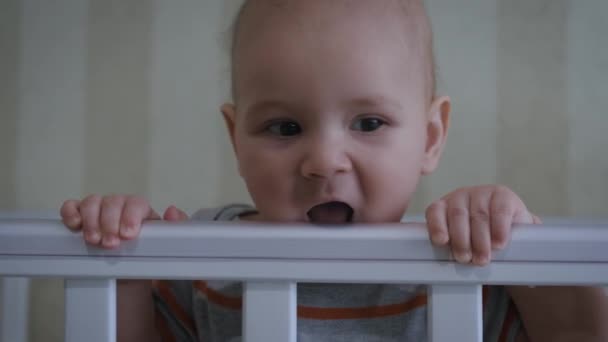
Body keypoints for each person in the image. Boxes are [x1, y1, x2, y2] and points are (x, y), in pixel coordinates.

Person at [60, 0, 608, 341]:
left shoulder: (459, 261)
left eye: (368, 122)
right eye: (283, 128)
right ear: (236, 139)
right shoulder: (205, 260)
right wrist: (124, 268)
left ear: (430, 137)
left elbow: (582, 332)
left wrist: (515, 244)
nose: (323, 162)